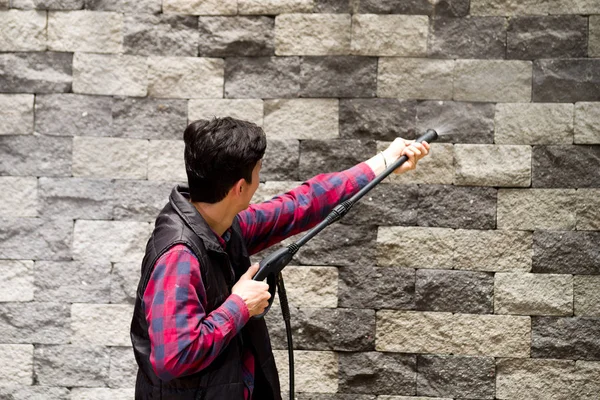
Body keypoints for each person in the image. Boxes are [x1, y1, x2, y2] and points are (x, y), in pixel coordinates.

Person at [130, 117, 431, 400]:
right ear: (239, 187)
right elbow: (174, 357)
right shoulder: (179, 255)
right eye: (259, 173)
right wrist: (239, 307)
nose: (260, 181)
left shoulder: (223, 223)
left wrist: (384, 161)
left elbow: (301, 205)